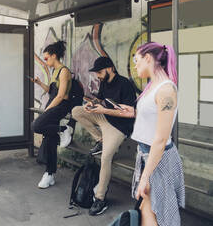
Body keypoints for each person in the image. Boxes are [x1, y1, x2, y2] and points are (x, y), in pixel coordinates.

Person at [120, 42, 185, 226]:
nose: (134, 65)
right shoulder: (154, 86)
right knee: (148, 212)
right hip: (148, 156)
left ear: (147, 58)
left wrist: (145, 177)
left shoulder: (166, 89)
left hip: (158, 159)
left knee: (153, 215)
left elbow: (161, 138)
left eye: (136, 60)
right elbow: (153, 117)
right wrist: (132, 112)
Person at [70, 56, 136, 216]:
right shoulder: (104, 82)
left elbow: (129, 114)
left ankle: (100, 198)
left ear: (110, 68)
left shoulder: (126, 84)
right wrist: (93, 104)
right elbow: (101, 99)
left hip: (119, 126)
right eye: (97, 73)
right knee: (76, 111)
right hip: (104, 118)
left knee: (105, 158)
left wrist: (103, 110)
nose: (98, 76)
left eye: (100, 72)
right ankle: (100, 139)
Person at [30, 40, 72, 189]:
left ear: (54, 56)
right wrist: (40, 83)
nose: (45, 61)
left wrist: (47, 110)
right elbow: (52, 91)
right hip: (54, 105)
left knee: (36, 125)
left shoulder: (64, 71)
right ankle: (50, 174)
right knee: (50, 138)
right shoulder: (55, 71)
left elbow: (61, 96)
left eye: (47, 58)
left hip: (60, 106)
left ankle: (64, 129)